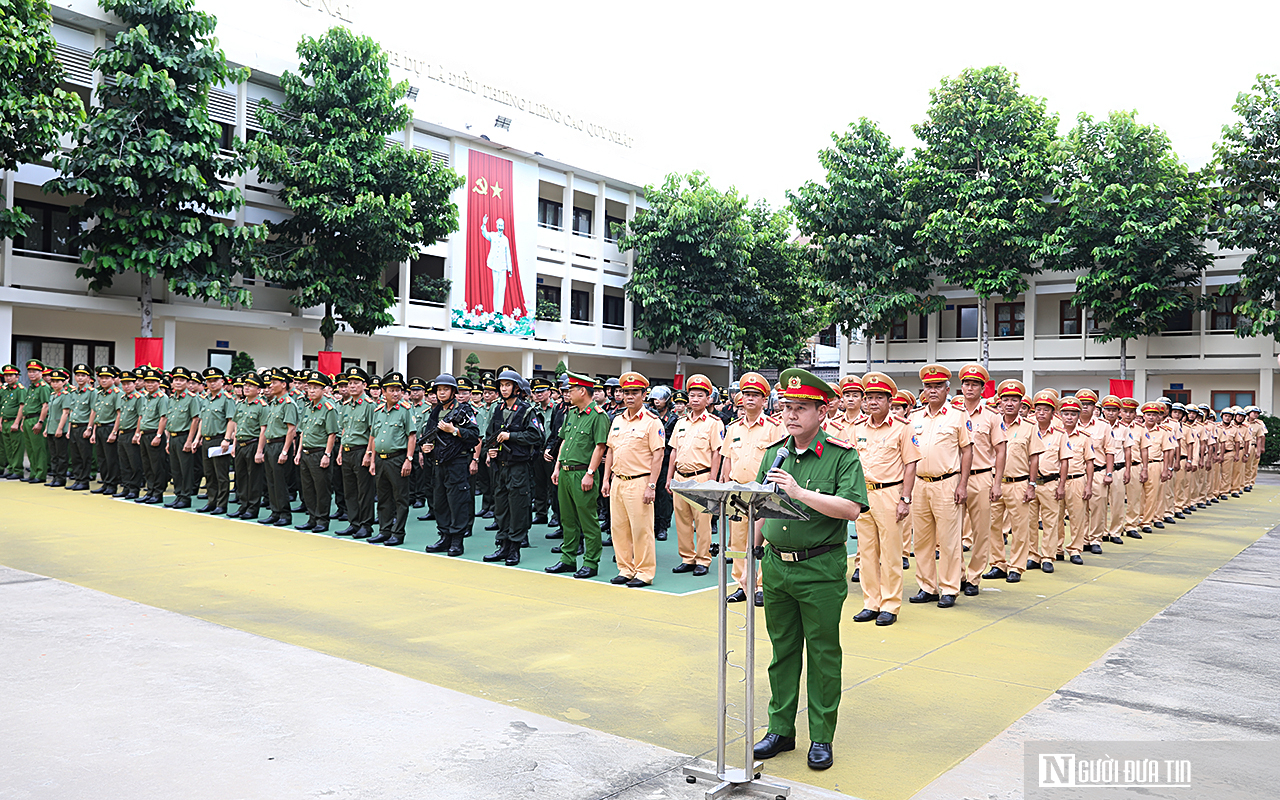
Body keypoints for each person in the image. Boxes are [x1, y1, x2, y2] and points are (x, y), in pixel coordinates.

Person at [751, 368, 867, 772]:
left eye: (801, 408)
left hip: (819, 567)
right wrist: (754, 548)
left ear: (822, 411)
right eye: (786, 407)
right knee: (781, 653)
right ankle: (780, 729)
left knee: (821, 654)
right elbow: (762, 505)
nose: (791, 415)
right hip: (777, 567)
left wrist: (800, 493)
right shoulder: (774, 453)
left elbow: (851, 509)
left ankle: (821, 736)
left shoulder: (841, 455)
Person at [850, 372, 918, 626]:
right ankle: (871, 602)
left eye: (880, 397)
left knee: (890, 552)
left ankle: (890, 604)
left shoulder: (902, 428)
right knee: (867, 552)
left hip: (890, 493)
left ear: (890, 401)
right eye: (870, 397)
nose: (874, 402)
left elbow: (910, 465)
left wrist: (905, 499)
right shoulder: (857, 429)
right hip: (863, 494)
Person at [908, 364, 972, 609]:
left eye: (937, 386)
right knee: (922, 541)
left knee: (948, 540)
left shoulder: (958, 416)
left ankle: (949, 588)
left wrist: (962, 484)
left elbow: (967, 451)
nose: (932, 391)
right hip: (920, 485)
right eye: (928, 386)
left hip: (947, 483)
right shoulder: (914, 417)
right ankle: (927, 586)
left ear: (947, 389)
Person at [719, 372, 783, 605]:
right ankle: (742, 585)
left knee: (762, 541)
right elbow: (727, 458)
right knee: (738, 541)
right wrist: (724, 485)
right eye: (746, 394)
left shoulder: (774, 427)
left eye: (755, 395)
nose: (750, 399)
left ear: (764, 401)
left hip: (762, 493)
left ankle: (760, 585)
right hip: (737, 491)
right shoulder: (733, 427)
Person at [602, 371, 666, 587]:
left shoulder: (652, 422)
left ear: (643, 395)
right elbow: (610, 451)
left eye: (634, 392)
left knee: (641, 530)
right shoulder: (617, 420)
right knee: (618, 528)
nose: (629, 397)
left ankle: (644, 572)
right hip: (618, 480)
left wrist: (651, 485)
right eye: (626, 392)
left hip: (640, 481)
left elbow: (658, 455)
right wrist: (606, 479)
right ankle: (625, 568)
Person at [546, 371, 610, 579]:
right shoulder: (572, 413)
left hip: (583, 473)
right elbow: (564, 441)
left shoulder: (598, 416)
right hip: (565, 472)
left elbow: (600, 447)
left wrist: (590, 473)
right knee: (568, 518)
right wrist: (557, 467)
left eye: (571, 390)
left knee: (588, 520)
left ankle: (591, 562)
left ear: (583, 391)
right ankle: (568, 559)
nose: (567, 394)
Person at [482, 370, 544, 565]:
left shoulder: (526, 410)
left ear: (516, 388)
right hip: (500, 466)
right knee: (501, 507)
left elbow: (537, 436)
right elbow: (490, 434)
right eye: (501, 385)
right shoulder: (498, 409)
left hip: (518, 467)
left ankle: (515, 548)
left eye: (508, 385)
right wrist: (491, 450)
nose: (504, 388)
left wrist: (512, 437)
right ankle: (503, 545)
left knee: (517, 507)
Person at [956, 364, 1006, 597]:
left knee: (981, 531)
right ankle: (957, 574)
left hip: (981, 477)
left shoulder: (992, 417)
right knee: (951, 531)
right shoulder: (952, 414)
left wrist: (997, 483)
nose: (969, 388)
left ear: (983, 388)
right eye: (966, 383)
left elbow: (1000, 450)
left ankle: (974, 577)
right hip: (954, 478)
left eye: (974, 384)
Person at [667, 374, 724, 576]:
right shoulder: (681, 422)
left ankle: (703, 559)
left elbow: (717, 452)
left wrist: (712, 480)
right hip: (680, 477)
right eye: (692, 395)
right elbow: (673, 451)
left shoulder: (714, 423)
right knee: (682, 521)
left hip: (702, 476)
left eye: (700, 395)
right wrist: (669, 478)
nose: (695, 399)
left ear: (708, 399)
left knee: (702, 522)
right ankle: (687, 557)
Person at [422, 373, 480, 555]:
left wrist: (454, 430)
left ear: (453, 391)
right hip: (439, 463)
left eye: (445, 389)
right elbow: (428, 433)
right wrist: (426, 447)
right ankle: (444, 536)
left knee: (458, 502)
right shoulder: (436, 411)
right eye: (439, 390)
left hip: (457, 462)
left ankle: (457, 540)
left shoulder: (465, 410)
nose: (441, 393)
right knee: (440, 501)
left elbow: (474, 435)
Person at [366, 372, 417, 547]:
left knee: (400, 498)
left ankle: (398, 533)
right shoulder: (378, 411)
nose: (395, 393)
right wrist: (372, 460)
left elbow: (411, 436)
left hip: (397, 458)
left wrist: (409, 459)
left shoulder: (405, 410)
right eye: (391, 390)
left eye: (398, 390)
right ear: (383, 391)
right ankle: (384, 530)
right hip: (380, 459)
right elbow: (374, 436)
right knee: (383, 497)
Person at [294, 371, 339, 533]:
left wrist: (327, 454)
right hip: (305, 452)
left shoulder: (328, 408)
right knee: (308, 488)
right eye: (310, 388)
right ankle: (312, 518)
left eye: (316, 388)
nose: (311, 391)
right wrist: (298, 452)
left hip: (319, 453)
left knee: (321, 488)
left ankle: (322, 520)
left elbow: (332, 434)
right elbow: (303, 432)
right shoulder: (308, 407)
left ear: (323, 389)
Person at [335, 367, 376, 538]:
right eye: (349, 383)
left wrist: (368, 454)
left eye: (356, 383)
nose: (352, 386)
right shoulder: (346, 405)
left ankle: (366, 525)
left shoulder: (369, 405)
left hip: (361, 451)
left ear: (364, 385)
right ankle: (354, 523)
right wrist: (339, 452)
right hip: (347, 451)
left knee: (364, 490)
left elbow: (373, 432)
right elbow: (344, 430)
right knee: (350, 490)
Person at [256, 368, 299, 527]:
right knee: (271, 481)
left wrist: (285, 451)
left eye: (274, 382)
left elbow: (291, 429)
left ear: (284, 384)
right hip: (270, 444)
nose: (271, 385)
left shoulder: (288, 404)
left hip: (281, 444)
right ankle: (275, 512)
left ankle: (284, 514)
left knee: (281, 482)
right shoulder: (274, 403)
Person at [195, 367, 236, 515]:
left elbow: (231, 420)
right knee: (209, 473)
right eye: (209, 381)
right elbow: (202, 420)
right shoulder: (205, 399)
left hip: (219, 440)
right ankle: (211, 501)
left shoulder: (227, 399)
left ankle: (222, 504)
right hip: (206, 440)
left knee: (221, 474)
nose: (212, 384)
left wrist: (226, 439)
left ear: (222, 382)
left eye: (215, 381)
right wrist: (197, 438)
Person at [231, 373, 268, 519]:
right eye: (245, 385)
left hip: (253, 444)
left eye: (251, 386)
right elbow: (236, 425)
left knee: (253, 478)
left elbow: (263, 429)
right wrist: (234, 445)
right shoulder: (241, 404)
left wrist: (259, 451)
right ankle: (243, 505)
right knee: (240, 477)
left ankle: (252, 508)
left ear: (259, 390)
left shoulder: (262, 406)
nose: (246, 388)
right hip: (240, 444)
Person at [14, 359, 52, 484]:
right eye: (30, 371)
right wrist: (22, 421)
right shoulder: (31, 387)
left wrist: (40, 422)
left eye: (35, 371)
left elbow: (45, 406)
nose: (32, 374)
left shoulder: (43, 387)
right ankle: (34, 472)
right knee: (30, 448)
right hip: (28, 420)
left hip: (36, 419)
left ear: (41, 373)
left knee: (39, 448)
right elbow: (27, 405)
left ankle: (40, 474)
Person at [115, 371, 144, 500]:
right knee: (124, 462)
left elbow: (140, 416)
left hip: (132, 432)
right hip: (122, 432)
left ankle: (134, 489)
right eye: (124, 384)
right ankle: (126, 487)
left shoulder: (139, 398)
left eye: (129, 384)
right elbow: (120, 415)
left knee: (134, 463)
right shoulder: (122, 398)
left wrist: (137, 433)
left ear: (135, 383)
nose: (126, 386)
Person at [480, 214, 513, 313]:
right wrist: (484, 224)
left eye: (502, 225)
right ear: (496, 225)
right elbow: (485, 234)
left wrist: (509, 268)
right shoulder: (493, 235)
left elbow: (508, 253)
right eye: (499, 225)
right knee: (496, 287)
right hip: (494, 264)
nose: (500, 227)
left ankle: (500, 310)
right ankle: (495, 309)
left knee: (502, 288)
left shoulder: (505, 239)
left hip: (503, 266)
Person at [0, 364, 24, 479]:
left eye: (11, 375)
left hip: (13, 421)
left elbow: (22, 406)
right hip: (4, 421)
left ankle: (18, 470)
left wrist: (16, 422)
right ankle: (10, 468)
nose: (8, 378)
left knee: (16, 447)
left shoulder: (20, 389)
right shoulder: (5, 390)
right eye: (6, 375)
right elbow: (2, 406)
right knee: (8, 447)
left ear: (17, 376)